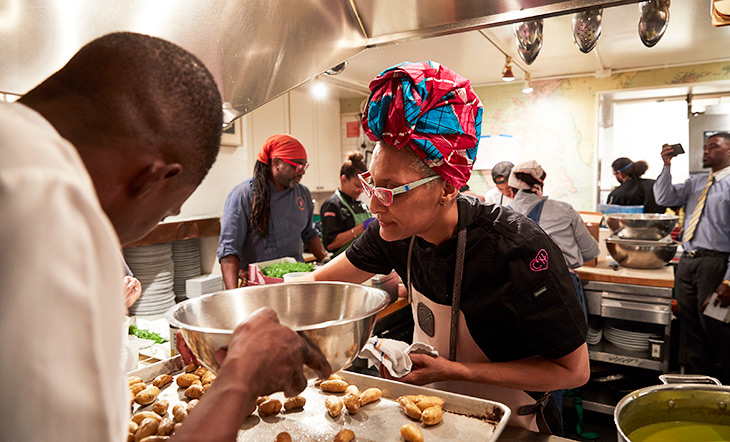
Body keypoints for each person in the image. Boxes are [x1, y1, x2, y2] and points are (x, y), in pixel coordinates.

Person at [0, 32, 329, 442]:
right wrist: (241, 378)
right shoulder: (48, 210)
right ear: (154, 178)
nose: (160, 220)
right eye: (167, 211)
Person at [313, 61, 589, 434]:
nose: (375, 206)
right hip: (428, 419)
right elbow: (317, 287)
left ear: (446, 188)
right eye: (372, 186)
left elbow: (574, 372)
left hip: (511, 425)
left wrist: (457, 371)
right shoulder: (393, 230)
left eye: (390, 190)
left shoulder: (517, 250)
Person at [653, 133, 730, 383]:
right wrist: (666, 165)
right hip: (687, 261)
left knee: (716, 325)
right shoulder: (696, 182)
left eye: (714, 146)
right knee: (690, 325)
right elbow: (664, 198)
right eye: (705, 146)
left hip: (716, 264)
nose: (706, 151)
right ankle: (700, 385)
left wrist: (729, 280)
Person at [217, 134, 328, 289]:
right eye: (298, 166)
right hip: (257, 287)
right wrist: (233, 296)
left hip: (296, 282)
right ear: (276, 163)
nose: (302, 172)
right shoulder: (243, 196)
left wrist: (327, 260)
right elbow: (229, 252)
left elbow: (309, 233)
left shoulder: (302, 194)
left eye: (305, 166)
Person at [508, 160, 600, 316]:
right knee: (572, 338)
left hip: (518, 290)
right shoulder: (564, 210)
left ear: (511, 190)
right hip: (562, 283)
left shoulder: (501, 216)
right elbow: (591, 252)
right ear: (540, 185)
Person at [320, 152, 375, 256]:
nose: (361, 190)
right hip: (343, 263)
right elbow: (330, 244)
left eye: (363, 186)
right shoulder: (332, 205)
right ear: (344, 180)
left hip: (364, 259)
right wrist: (361, 227)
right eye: (357, 186)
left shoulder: (361, 205)